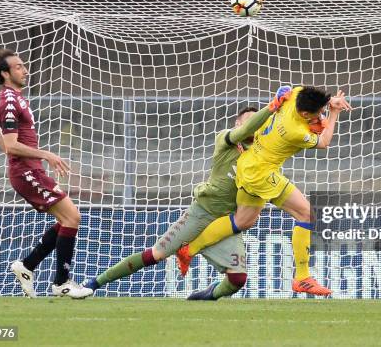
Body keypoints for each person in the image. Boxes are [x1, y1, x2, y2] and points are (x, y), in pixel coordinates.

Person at [84, 91, 289, 300]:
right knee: (156, 255)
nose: (252, 126)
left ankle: (206, 295)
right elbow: (246, 130)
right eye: (248, 121)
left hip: (227, 222)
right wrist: (273, 106)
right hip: (201, 213)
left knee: (238, 280)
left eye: (257, 123)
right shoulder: (225, 139)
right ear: (237, 123)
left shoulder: (261, 155)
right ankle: (94, 283)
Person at [177, 85, 351, 296]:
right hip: (262, 174)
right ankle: (303, 278)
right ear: (305, 114)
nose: (318, 116)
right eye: (315, 114)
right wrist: (333, 114)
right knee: (305, 213)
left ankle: (189, 248)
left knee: (243, 221)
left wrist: (326, 103)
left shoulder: (296, 93)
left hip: (249, 163)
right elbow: (323, 142)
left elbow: (285, 90)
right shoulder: (294, 131)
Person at [0, 49, 92, 299]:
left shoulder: (16, 98)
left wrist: (27, 158)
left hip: (29, 170)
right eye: (18, 67)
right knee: (72, 217)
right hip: (27, 171)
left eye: (24, 66)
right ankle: (61, 283)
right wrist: (44, 154)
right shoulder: (9, 101)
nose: (24, 70)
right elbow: (11, 144)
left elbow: (1, 141)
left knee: (66, 220)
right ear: (5, 73)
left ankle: (27, 266)